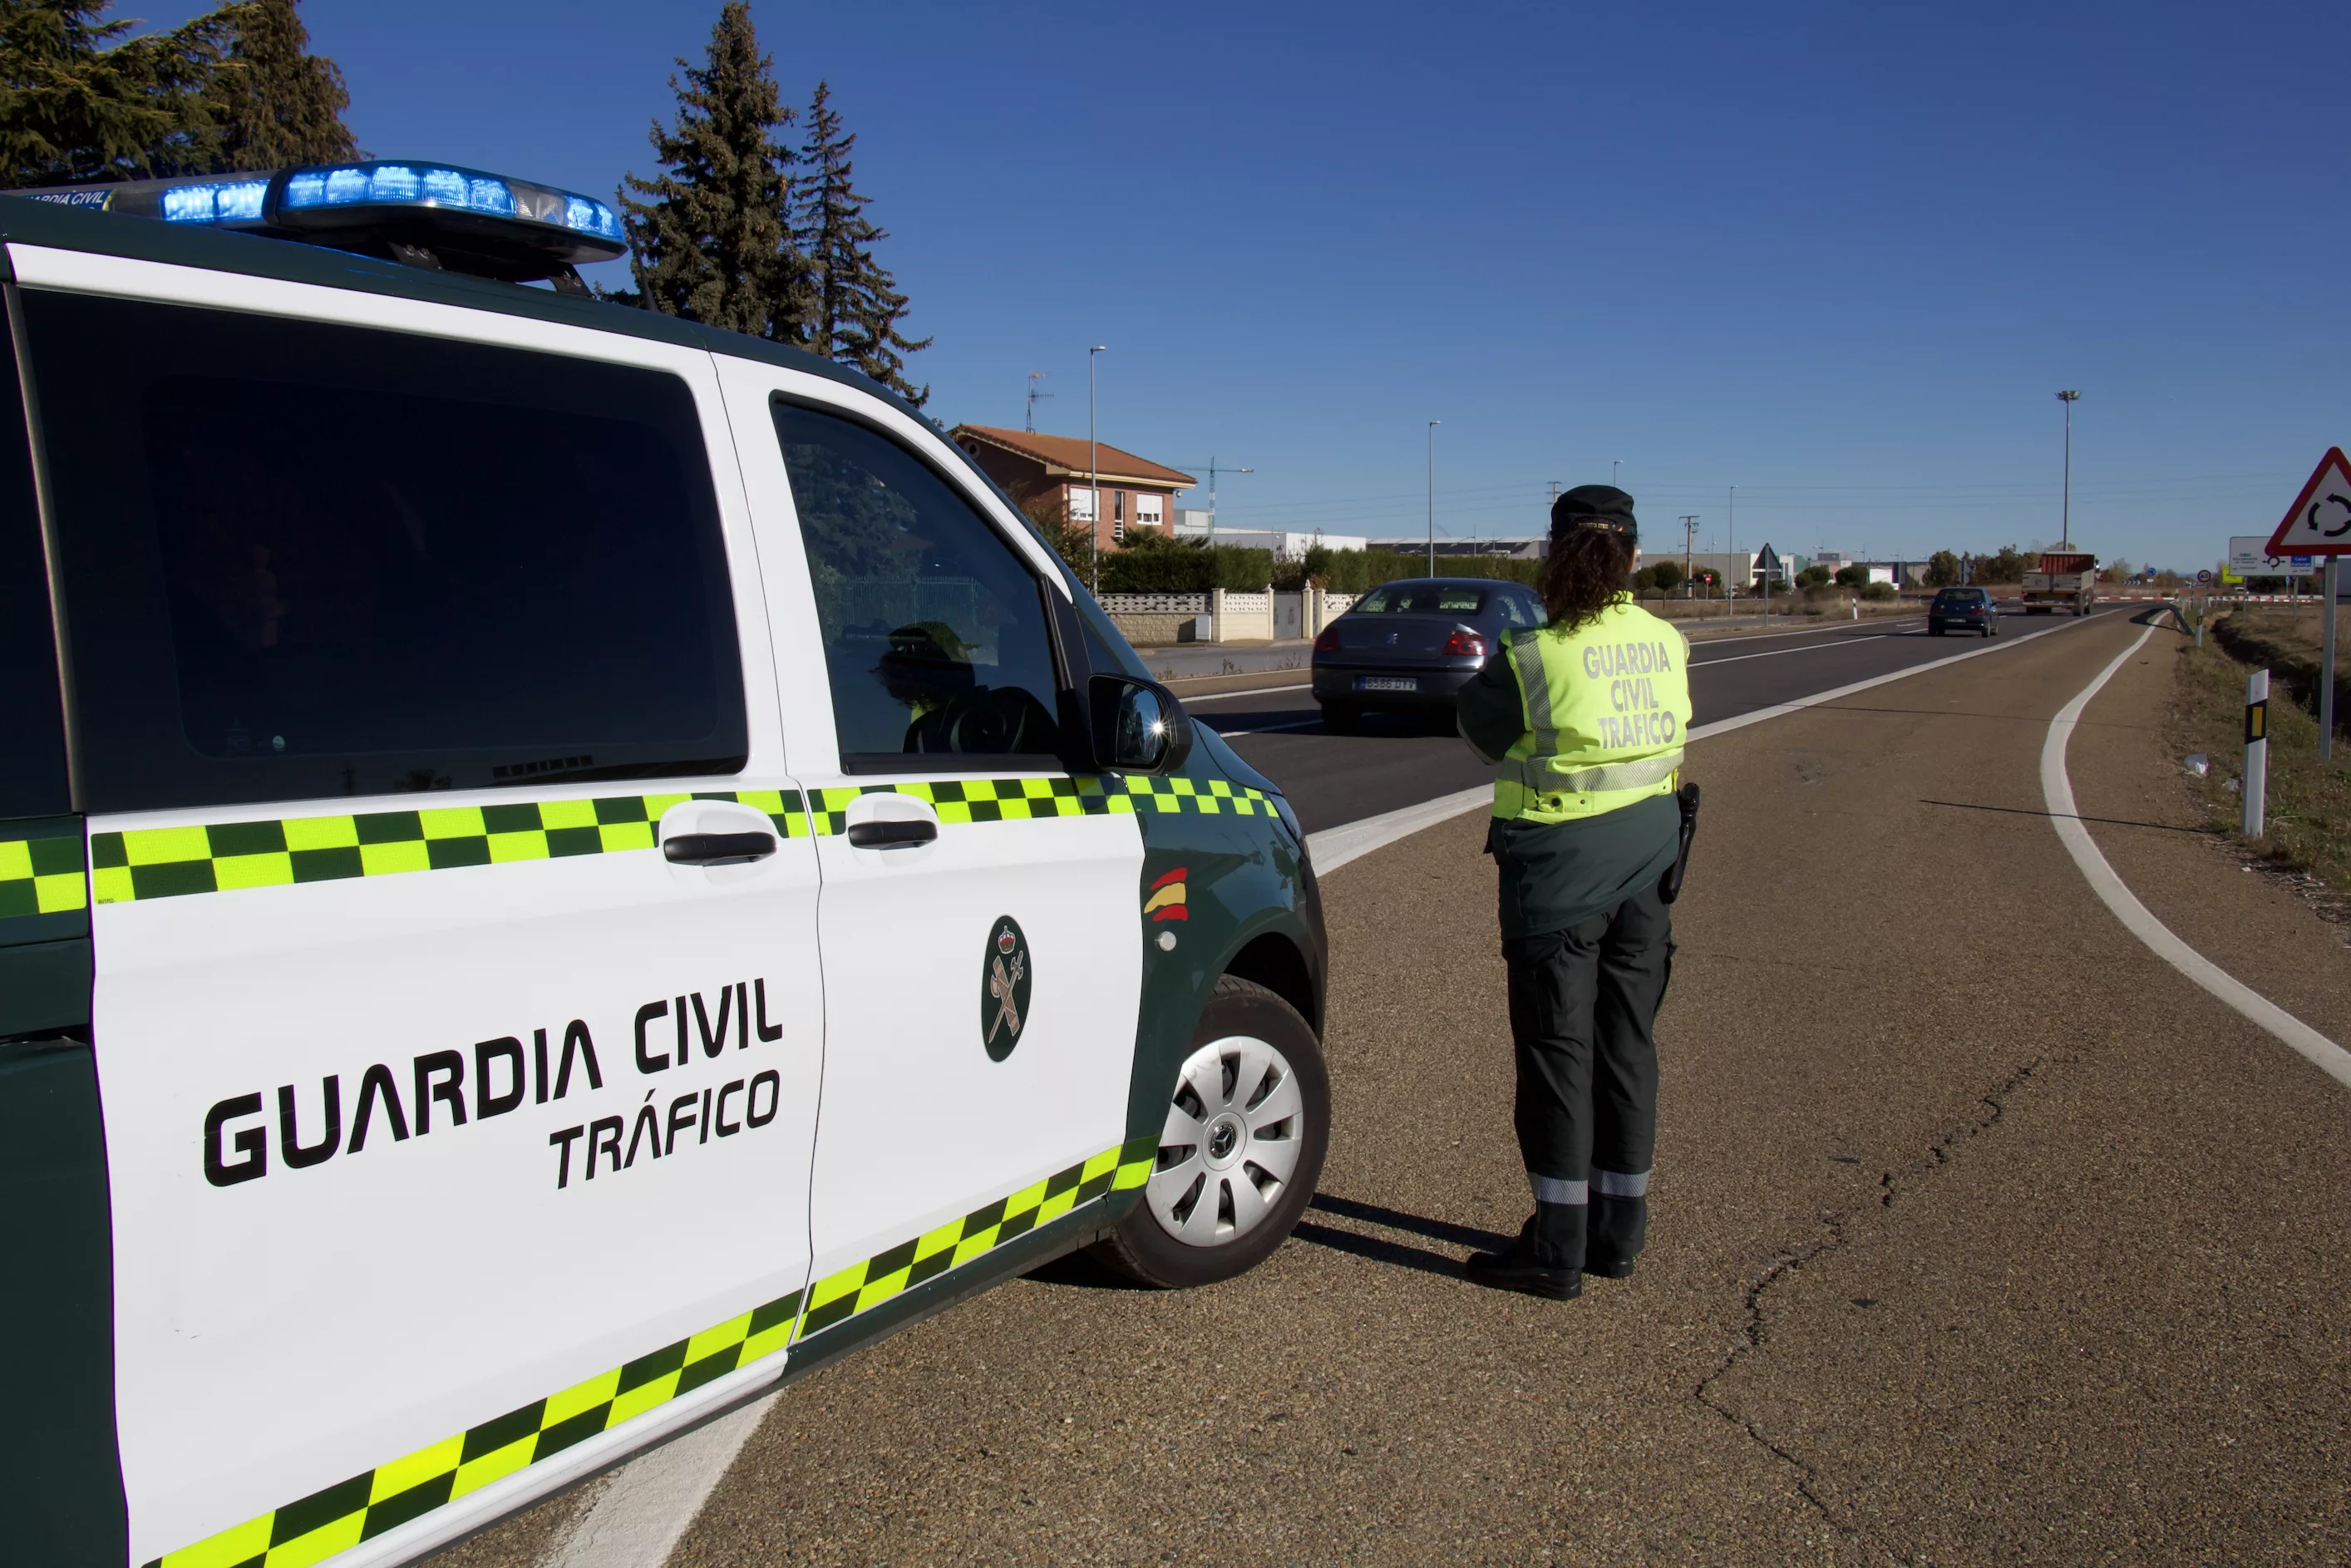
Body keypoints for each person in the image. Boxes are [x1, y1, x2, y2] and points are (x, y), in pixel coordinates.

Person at [1453, 485, 1693, 1300]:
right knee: (1627, 1044)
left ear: (1554, 556)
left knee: (1558, 1054)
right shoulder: (1666, 641)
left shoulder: (1533, 653)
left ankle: (1555, 1245)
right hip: (1649, 868)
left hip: (1557, 877)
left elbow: (1479, 732)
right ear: (1630, 556)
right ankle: (1619, 1234)